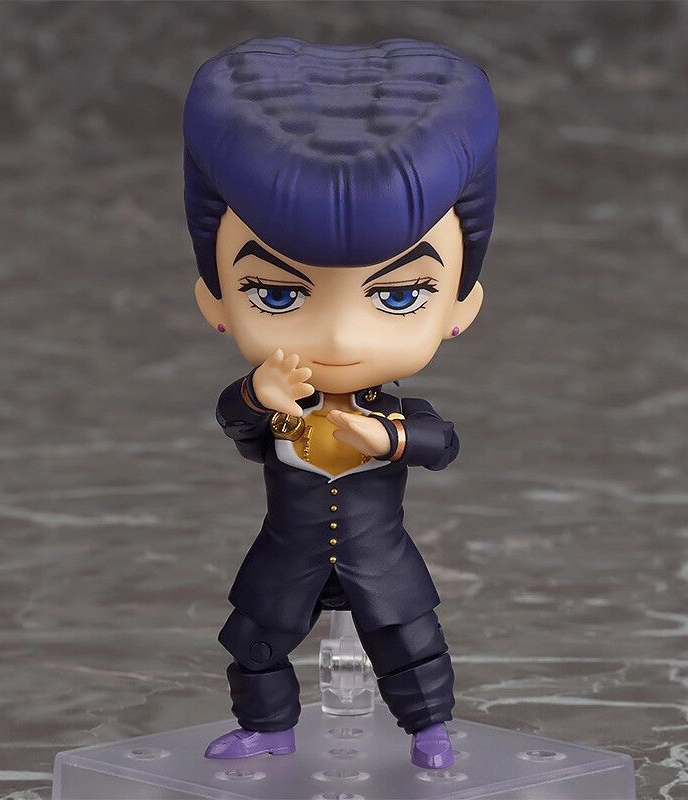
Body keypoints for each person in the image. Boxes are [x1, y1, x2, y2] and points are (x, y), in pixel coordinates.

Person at [183, 37, 498, 769]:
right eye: (276, 294)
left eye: (399, 295)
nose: (338, 336)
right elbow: (238, 426)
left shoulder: (395, 412)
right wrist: (259, 397)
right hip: (286, 555)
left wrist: (388, 440)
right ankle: (267, 729)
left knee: (411, 644)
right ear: (215, 300)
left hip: (379, 558)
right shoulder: (276, 395)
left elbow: (442, 443)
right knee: (255, 643)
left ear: (461, 304)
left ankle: (429, 730)